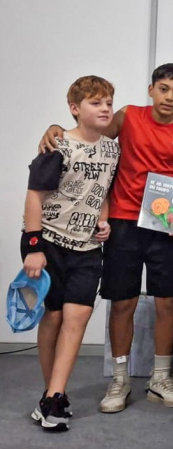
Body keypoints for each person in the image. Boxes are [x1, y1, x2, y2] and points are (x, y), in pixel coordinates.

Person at [40, 63, 173, 413]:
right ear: (151, 89)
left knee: (168, 302)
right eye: (163, 89)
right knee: (122, 301)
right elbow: (91, 134)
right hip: (124, 222)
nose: (169, 97)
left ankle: (161, 378)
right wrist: (57, 129)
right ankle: (120, 378)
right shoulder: (128, 116)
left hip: (164, 226)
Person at [22, 76, 120, 430]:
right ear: (75, 109)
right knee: (53, 318)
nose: (106, 108)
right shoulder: (58, 145)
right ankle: (52, 393)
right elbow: (35, 196)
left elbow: (102, 190)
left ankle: (55, 397)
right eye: (96, 103)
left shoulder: (113, 149)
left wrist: (104, 221)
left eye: (109, 102)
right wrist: (34, 247)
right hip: (48, 243)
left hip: (88, 249)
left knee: (76, 319)